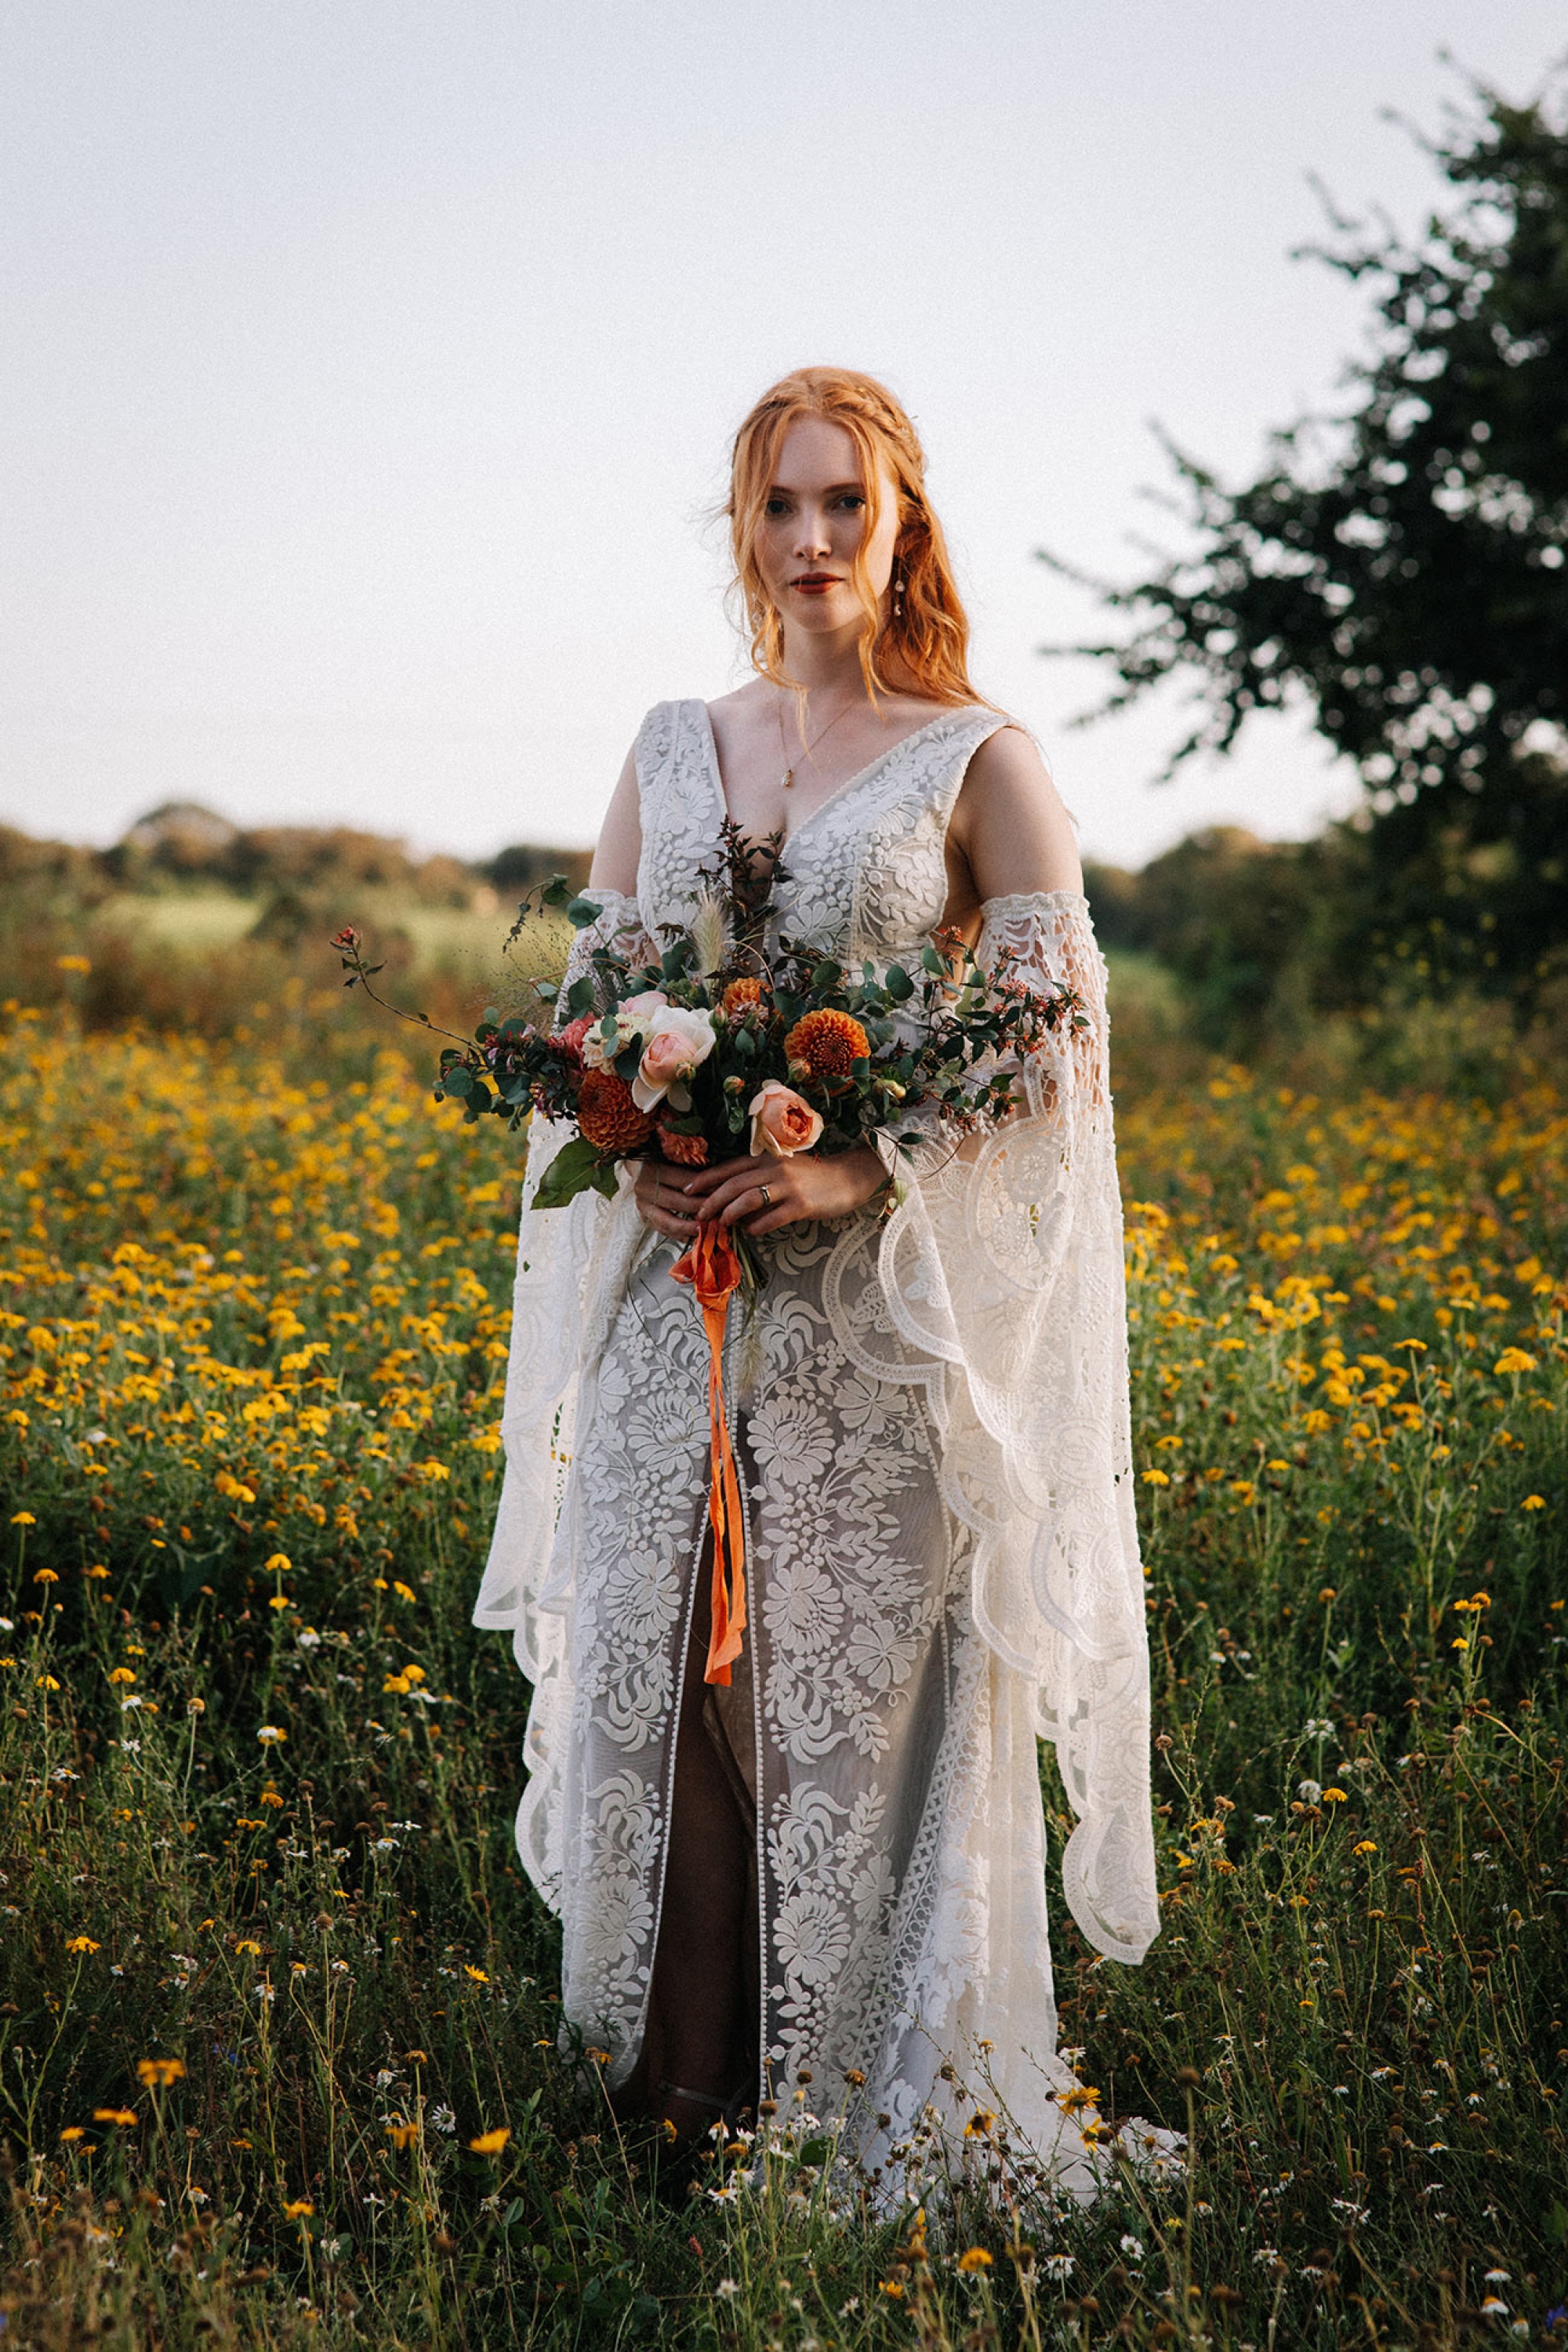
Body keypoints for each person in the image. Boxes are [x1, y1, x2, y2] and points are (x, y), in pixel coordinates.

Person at [474, 366, 1158, 2196]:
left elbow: (1051, 1044)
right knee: (658, 1676)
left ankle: (841, 2107)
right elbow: (594, 1006)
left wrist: (857, 1161)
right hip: (672, 1306)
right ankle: (672, 2104)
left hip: (869, 1328)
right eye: (778, 507)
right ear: (741, 529)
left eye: (843, 504)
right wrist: (643, 1135)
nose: (808, 542)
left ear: (902, 519)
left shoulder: (975, 755)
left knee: (822, 1714)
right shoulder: (669, 746)